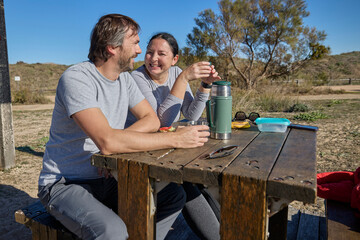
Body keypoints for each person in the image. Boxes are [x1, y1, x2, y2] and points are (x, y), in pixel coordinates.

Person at [37, 14, 210, 240]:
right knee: (112, 231)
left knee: (173, 195)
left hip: (109, 177)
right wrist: (176, 138)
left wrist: (114, 144)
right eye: (136, 43)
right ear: (112, 47)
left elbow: (152, 120)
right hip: (66, 183)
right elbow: (108, 141)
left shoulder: (125, 80)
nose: (139, 51)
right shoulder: (77, 78)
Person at [126, 32, 221, 240]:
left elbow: (191, 113)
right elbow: (161, 122)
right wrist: (183, 78)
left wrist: (204, 85)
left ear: (174, 58)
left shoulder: (176, 72)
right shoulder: (137, 78)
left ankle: (225, 233)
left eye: (161, 53)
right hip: (137, 150)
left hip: (165, 146)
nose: (153, 58)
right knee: (183, 182)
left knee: (199, 180)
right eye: (150, 52)